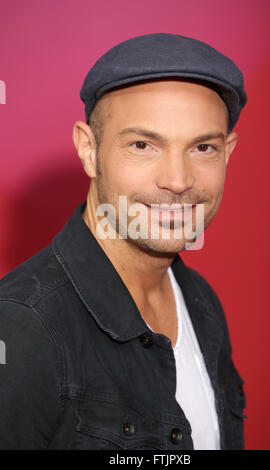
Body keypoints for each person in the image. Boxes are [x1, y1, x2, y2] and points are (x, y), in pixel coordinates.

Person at [0, 32, 248, 450]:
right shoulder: (21, 329)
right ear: (89, 149)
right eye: (143, 145)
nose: (177, 180)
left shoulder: (200, 301)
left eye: (203, 147)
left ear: (228, 152)